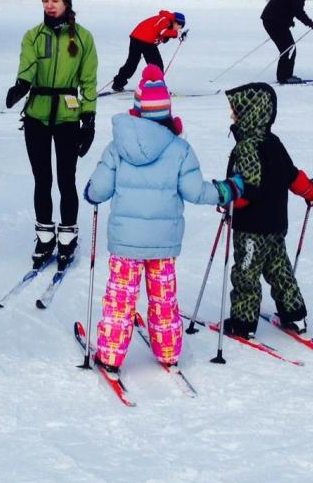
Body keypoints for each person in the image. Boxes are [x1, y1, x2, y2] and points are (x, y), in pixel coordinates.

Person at [84, 66, 240, 377]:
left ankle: (112, 354)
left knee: (120, 299)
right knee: (163, 298)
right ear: (168, 111)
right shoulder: (180, 149)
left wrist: (90, 192)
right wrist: (226, 190)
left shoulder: (118, 147)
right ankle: (168, 351)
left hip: (125, 243)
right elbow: (196, 191)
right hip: (163, 244)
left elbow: (98, 190)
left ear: (137, 109)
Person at [5, 0, 99, 269]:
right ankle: (45, 234)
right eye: (45, 0)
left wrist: (89, 117)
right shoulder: (33, 36)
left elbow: (89, 80)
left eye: (54, 0)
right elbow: (28, 66)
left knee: (66, 178)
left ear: (67, 2)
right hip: (37, 115)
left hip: (68, 117)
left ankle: (68, 235)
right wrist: (21, 85)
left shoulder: (83, 38)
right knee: (42, 178)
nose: (49, 5)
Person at [219, 81, 313, 339]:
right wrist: (310, 191)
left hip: (252, 228)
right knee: (278, 269)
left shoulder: (247, 147)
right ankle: (294, 314)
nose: (233, 115)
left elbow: (249, 188)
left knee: (246, 273)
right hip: (276, 225)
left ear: (250, 113)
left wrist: (229, 199)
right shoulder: (273, 142)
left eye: (236, 111)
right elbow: (292, 176)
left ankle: (243, 323)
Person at [260, 0, 313, 85]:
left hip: (274, 21)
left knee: (288, 48)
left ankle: (286, 75)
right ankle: (284, 77)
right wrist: (310, 23)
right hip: (273, 22)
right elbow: (298, 12)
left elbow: (287, 8)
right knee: (288, 48)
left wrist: (287, 21)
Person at [109, 10, 185, 93]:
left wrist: (175, 36)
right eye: (180, 27)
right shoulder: (165, 20)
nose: (179, 29)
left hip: (136, 38)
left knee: (131, 63)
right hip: (145, 41)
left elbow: (162, 35)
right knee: (157, 65)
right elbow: (163, 32)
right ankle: (158, 88)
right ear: (176, 22)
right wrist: (177, 34)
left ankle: (118, 84)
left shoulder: (164, 19)